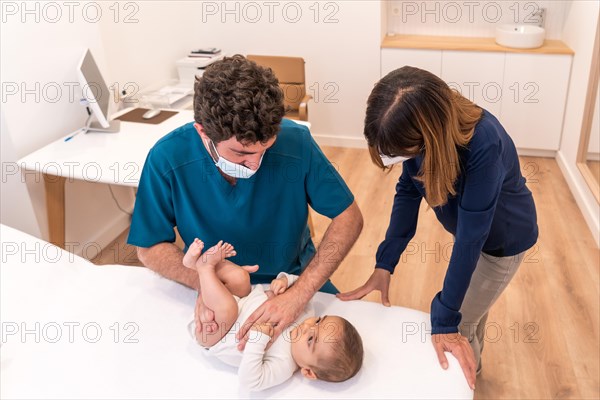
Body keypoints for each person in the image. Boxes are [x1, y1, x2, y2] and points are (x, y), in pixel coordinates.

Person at [128, 55, 363, 351]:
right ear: (203, 132)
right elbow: (149, 247)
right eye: (240, 154)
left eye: (265, 149)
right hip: (216, 285)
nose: (254, 164)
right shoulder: (167, 158)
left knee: (336, 355)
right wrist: (205, 284)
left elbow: (349, 217)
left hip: (290, 278)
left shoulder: (296, 142)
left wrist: (300, 293)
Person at [338, 66, 538, 391]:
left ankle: (461, 388)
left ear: (427, 135)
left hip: (503, 243)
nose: (395, 161)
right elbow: (407, 191)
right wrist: (385, 263)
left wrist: (445, 320)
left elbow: (472, 239)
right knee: (473, 314)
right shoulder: (424, 133)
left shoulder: (485, 144)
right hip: (473, 235)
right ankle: (476, 375)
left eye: (400, 153)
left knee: (460, 325)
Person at [183, 238, 364, 391]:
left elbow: (250, 382)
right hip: (239, 299)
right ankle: (195, 267)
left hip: (215, 333)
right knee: (241, 278)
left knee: (227, 309)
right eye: (318, 321)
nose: (308, 325)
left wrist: (259, 340)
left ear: (308, 372)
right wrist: (285, 281)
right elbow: (298, 286)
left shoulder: (283, 364)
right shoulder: (306, 310)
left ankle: (205, 269)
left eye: (310, 339)